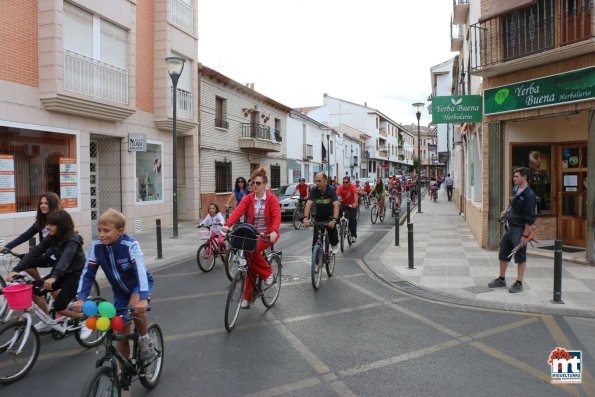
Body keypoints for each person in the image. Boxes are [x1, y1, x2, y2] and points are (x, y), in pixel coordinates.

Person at [74, 208, 156, 361]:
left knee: (135, 310)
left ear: (120, 231)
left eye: (106, 230)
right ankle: (122, 374)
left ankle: (145, 340)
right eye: (99, 230)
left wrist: (143, 298)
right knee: (121, 333)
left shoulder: (130, 245)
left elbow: (140, 270)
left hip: (138, 285)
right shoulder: (97, 247)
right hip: (120, 291)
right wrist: (81, 298)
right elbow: (88, 274)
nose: (101, 234)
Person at [6, 209, 91, 337]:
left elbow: (65, 259)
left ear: (61, 226)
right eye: (48, 224)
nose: (47, 227)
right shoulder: (52, 238)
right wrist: (16, 270)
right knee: (34, 289)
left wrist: (54, 277)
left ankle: (85, 320)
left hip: (75, 275)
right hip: (61, 273)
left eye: (51, 224)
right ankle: (46, 321)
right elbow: (35, 252)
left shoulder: (73, 240)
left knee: (60, 306)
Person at [222, 167, 281, 309]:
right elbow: (238, 211)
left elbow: (276, 216)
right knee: (249, 265)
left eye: (258, 183)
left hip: (267, 234)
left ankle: (267, 274)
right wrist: (227, 225)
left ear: (265, 184)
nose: (254, 185)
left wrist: (273, 231)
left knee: (252, 251)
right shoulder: (248, 198)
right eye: (253, 183)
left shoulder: (271, 198)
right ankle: (247, 298)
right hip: (251, 234)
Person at [488, 167, 536, 293]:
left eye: (516, 176)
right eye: (514, 176)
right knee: (503, 252)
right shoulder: (516, 189)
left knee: (520, 256)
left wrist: (525, 236)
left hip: (520, 229)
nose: (514, 178)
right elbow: (513, 205)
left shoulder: (529, 195)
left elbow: (530, 219)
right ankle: (501, 279)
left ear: (524, 177)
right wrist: (506, 212)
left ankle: (519, 283)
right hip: (510, 227)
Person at [0, 192, 63, 280]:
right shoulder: (41, 221)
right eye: (41, 203)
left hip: (59, 258)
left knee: (53, 288)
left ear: (53, 204)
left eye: (46, 203)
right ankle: (39, 283)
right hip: (46, 255)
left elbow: (58, 243)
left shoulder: (60, 220)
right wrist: (7, 247)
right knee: (26, 262)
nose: (42, 206)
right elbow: (26, 235)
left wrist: (42, 254)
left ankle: (41, 285)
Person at [303, 172, 340, 254]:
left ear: (325, 181)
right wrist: (306, 219)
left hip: (330, 215)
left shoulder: (331, 190)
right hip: (319, 216)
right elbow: (308, 204)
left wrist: (334, 220)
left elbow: (336, 205)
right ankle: (316, 261)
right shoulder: (314, 190)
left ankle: (334, 244)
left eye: (319, 181)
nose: (317, 183)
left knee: (331, 229)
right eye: (316, 181)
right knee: (315, 240)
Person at [335, 176, 358, 244]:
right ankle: (339, 223)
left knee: (352, 219)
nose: (345, 184)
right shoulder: (341, 187)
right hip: (344, 204)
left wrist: (355, 203)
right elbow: (336, 194)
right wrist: (338, 199)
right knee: (337, 209)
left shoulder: (352, 186)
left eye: (346, 182)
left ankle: (353, 235)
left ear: (349, 182)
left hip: (352, 205)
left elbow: (355, 194)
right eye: (343, 182)